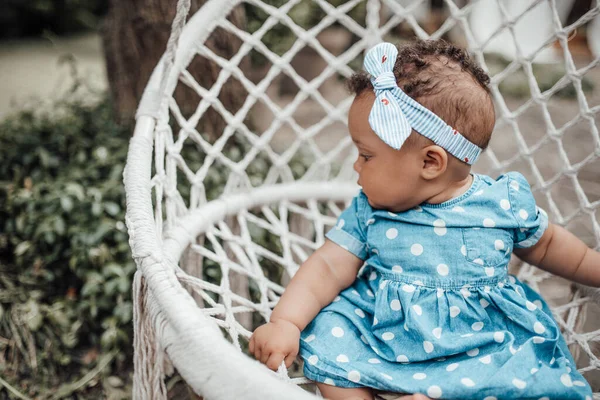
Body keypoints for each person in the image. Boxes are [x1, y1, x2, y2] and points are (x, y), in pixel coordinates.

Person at [249, 39, 597, 400]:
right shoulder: (371, 209)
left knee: (523, 377)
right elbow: (327, 267)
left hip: (479, 342)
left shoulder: (501, 203)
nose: (355, 165)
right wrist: (286, 322)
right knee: (328, 336)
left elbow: (550, 245)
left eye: (366, 155)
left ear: (431, 163)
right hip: (382, 332)